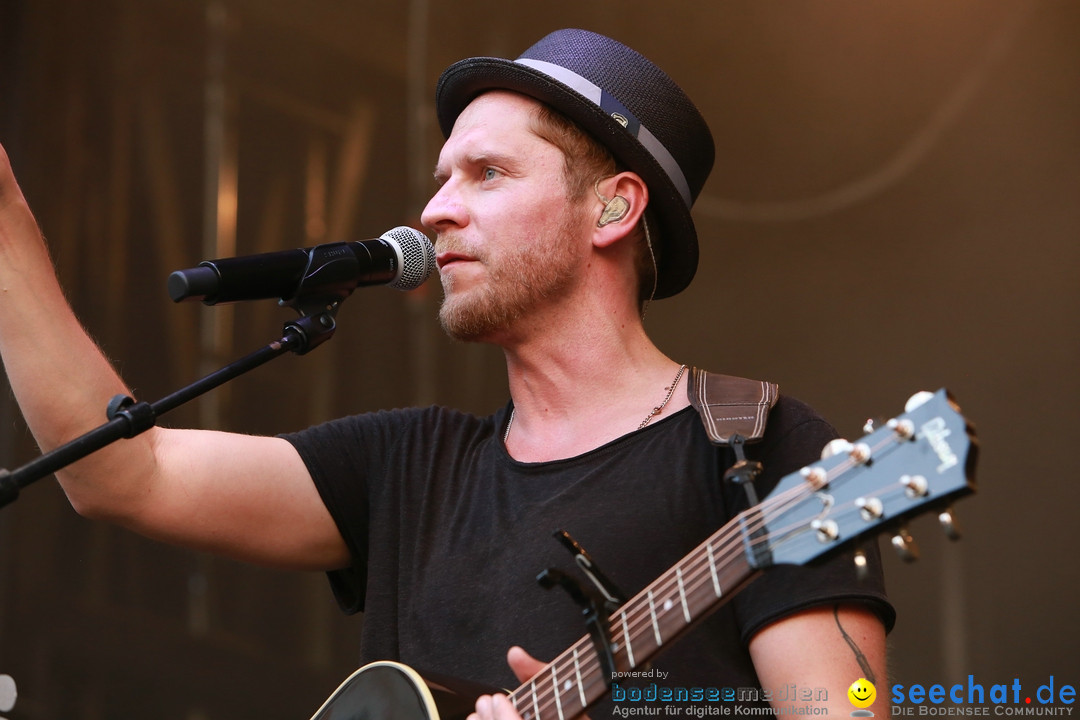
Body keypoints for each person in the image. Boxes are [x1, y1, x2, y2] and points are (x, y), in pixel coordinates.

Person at [0, 29, 892, 718]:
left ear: (614, 206)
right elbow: (122, 471)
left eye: (488, 173)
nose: (435, 210)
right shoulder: (410, 465)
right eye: (440, 178)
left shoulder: (759, 448)